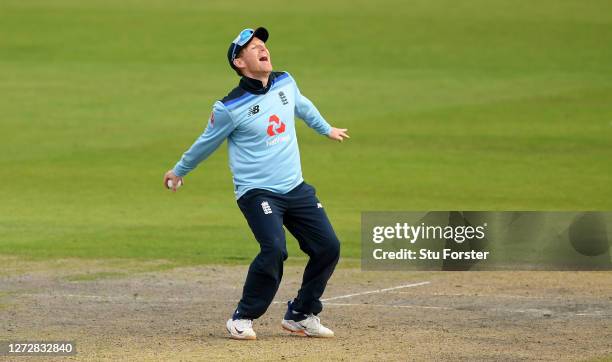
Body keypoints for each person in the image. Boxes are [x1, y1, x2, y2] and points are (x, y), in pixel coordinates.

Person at [163, 27, 349, 340]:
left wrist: (325, 128)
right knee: (275, 249)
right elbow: (206, 142)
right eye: (253, 47)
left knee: (328, 246)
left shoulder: (285, 81)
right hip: (257, 192)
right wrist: (180, 170)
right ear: (239, 62)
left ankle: (301, 314)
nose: (262, 48)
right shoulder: (228, 108)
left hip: (295, 187)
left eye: (263, 44)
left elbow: (301, 105)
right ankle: (243, 317)